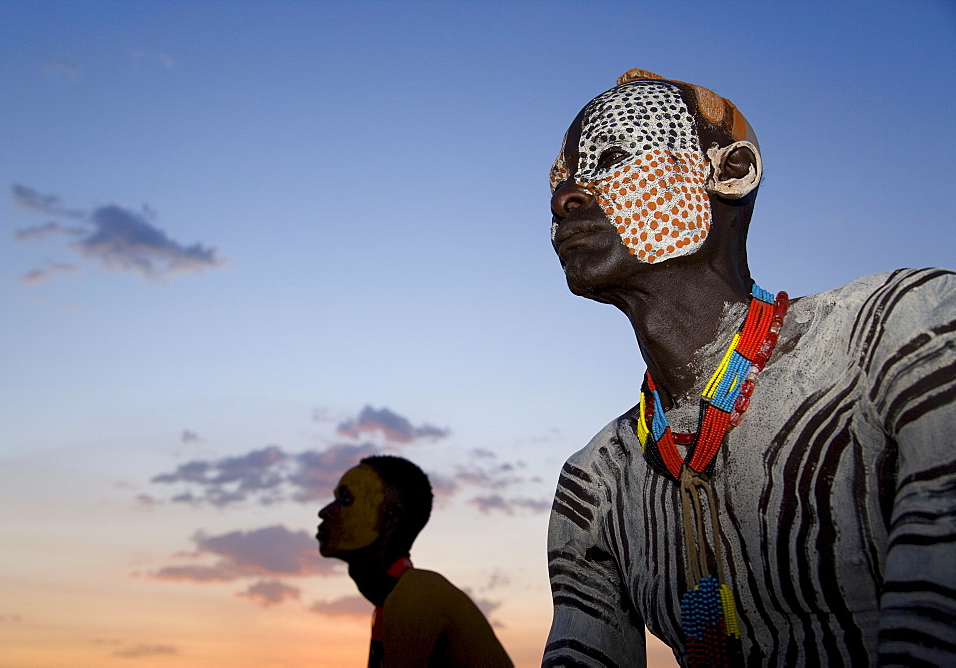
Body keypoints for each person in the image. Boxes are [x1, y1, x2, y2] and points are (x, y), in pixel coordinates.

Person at [543, 68, 955, 667]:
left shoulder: (901, 334)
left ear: (731, 172)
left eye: (610, 157)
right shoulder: (597, 484)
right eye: (560, 180)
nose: (566, 197)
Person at [317, 454, 514, 667]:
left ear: (391, 517)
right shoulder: (403, 594)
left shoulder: (417, 596)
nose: (324, 511)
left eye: (346, 499)